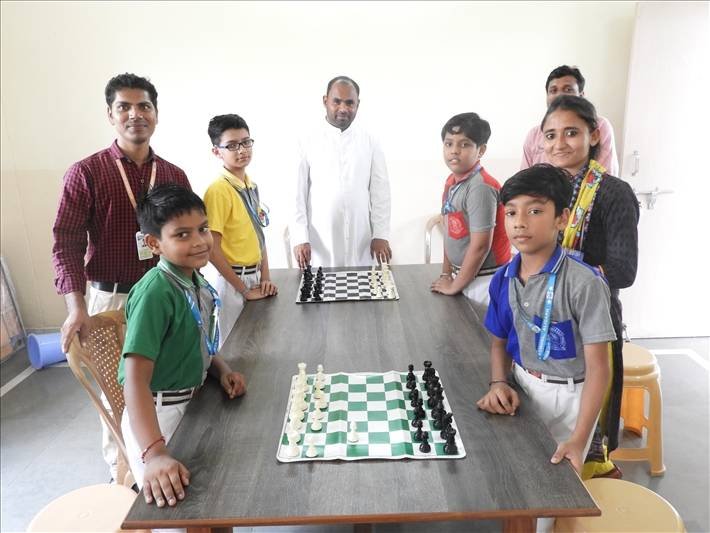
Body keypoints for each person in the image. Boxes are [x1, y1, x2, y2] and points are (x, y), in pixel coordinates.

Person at [51, 73, 190, 481]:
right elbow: (66, 242)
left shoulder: (173, 175)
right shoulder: (86, 173)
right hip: (111, 300)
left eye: (144, 106)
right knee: (120, 397)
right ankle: (123, 480)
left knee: (167, 385)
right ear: (110, 115)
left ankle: (169, 461)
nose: (135, 114)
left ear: (156, 114)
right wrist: (76, 308)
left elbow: (188, 236)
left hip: (165, 295)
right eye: (124, 107)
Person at [477, 165, 615, 530]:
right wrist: (498, 383)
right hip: (523, 387)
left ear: (562, 219)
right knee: (518, 487)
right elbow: (499, 342)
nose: (520, 222)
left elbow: (600, 368)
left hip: (571, 398)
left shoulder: (584, 283)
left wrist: (580, 439)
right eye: (511, 213)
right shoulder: (504, 277)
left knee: (551, 499)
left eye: (535, 210)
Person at [119, 184, 247, 508]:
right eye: (182, 234)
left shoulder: (194, 280)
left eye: (203, 229)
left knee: (206, 504)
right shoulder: (155, 293)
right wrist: (155, 453)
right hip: (158, 418)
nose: (200, 241)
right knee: (175, 518)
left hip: (192, 402)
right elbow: (134, 380)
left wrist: (222, 370)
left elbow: (198, 340)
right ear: (154, 243)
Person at [541, 94, 639, 479]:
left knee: (587, 419)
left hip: (593, 321)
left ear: (593, 135)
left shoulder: (614, 193)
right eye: (551, 135)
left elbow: (624, 270)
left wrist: (572, 281)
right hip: (549, 315)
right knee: (550, 407)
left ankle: (593, 479)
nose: (559, 143)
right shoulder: (545, 188)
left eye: (571, 133)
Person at [291, 76, 391, 268]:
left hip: (361, 239)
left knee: (361, 283)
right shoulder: (307, 140)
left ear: (358, 104)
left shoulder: (370, 141)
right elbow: (296, 194)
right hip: (320, 241)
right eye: (336, 101)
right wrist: (300, 237)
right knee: (321, 284)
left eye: (349, 103)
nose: (343, 108)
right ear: (325, 101)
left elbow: (381, 192)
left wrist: (380, 234)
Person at [203, 114, 277, 348]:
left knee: (258, 346)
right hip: (233, 282)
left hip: (254, 277)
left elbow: (259, 235)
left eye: (246, 142)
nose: (242, 150)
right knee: (235, 349)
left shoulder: (250, 185)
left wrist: (265, 277)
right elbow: (211, 249)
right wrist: (243, 289)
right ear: (217, 152)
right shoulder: (218, 190)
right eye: (232, 145)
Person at [430, 113, 511, 312]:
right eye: (448, 144)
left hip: (486, 281)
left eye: (464, 144)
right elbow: (450, 232)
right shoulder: (452, 182)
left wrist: (454, 286)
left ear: (481, 150)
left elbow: (481, 246)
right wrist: (446, 274)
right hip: (463, 277)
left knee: (478, 331)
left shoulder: (480, 187)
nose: (454, 151)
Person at [521, 65, 619, 176]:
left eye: (568, 89)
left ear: (581, 95)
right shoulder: (534, 135)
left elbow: (604, 176)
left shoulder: (599, 125)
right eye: (553, 91)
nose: (559, 96)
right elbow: (523, 179)